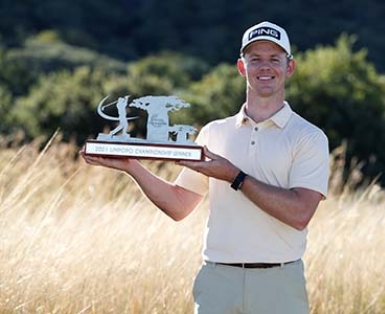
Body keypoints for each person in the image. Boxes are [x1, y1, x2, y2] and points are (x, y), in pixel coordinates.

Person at [81, 21, 329, 314]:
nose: (265, 67)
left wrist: (235, 177)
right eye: (255, 59)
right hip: (217, 281)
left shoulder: (308, 136)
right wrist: (132, 166)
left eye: (274, 59)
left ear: (289, 67)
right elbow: (178, 205)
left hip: (278, 284)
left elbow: (300, 214)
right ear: (241, 67)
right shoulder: (215, 132)